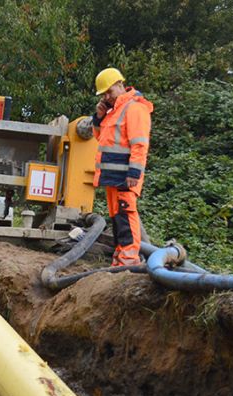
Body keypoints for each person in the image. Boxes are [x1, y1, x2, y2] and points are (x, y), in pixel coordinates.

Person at [92, 67, 153, 266]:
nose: (107, 97)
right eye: (104, 94)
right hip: (113, 175)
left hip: (126, 174)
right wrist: (99, 117)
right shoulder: (113, 111)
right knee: (117, 217)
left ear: (120, 84)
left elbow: (139, 144)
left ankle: (129, 259)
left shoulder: (134, 107)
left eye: (109, 91)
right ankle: (120, 258)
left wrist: (134, 172)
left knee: (126, 214)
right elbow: (101, 138)